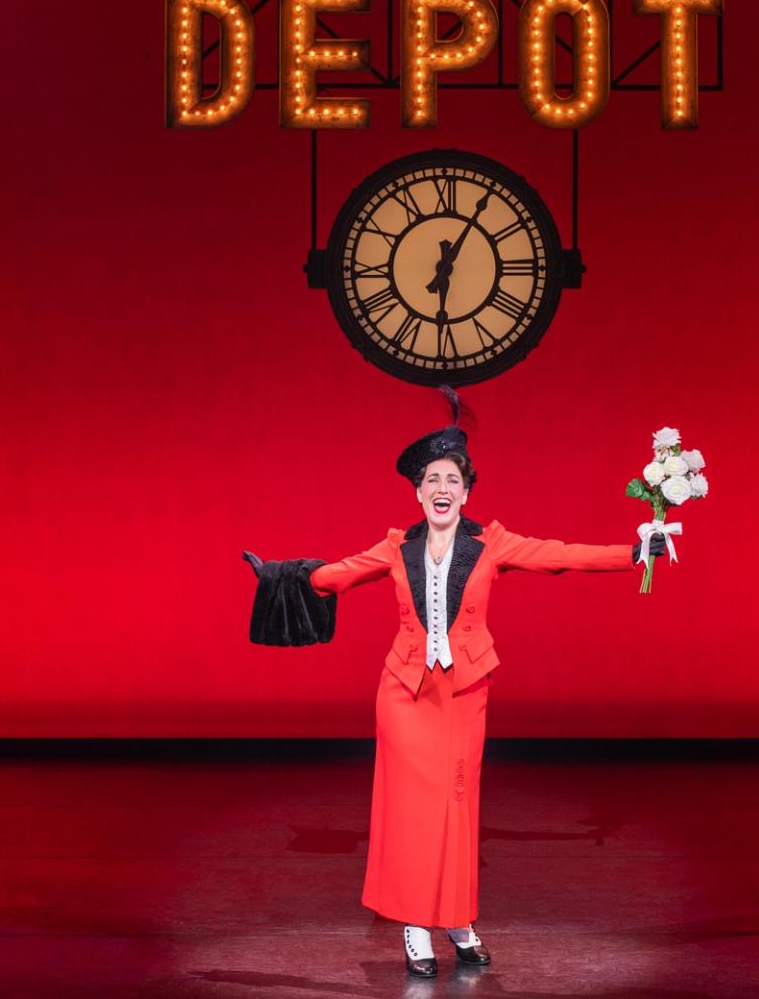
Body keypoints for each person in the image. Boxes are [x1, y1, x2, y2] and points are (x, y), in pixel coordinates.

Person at [245, 387, 668, 978]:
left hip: (464, 694)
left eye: (452, 480)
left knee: (457, 810)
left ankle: (459, 922)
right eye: (432, 480)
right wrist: (276, 575)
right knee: (409, 815)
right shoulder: (397, 547)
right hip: (404, 695)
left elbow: (559, 555)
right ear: (418, 492)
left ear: (466, 490)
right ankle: (416, 929)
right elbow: (336, 575)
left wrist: (635, 551)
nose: (442, 489)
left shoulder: (490, 543)